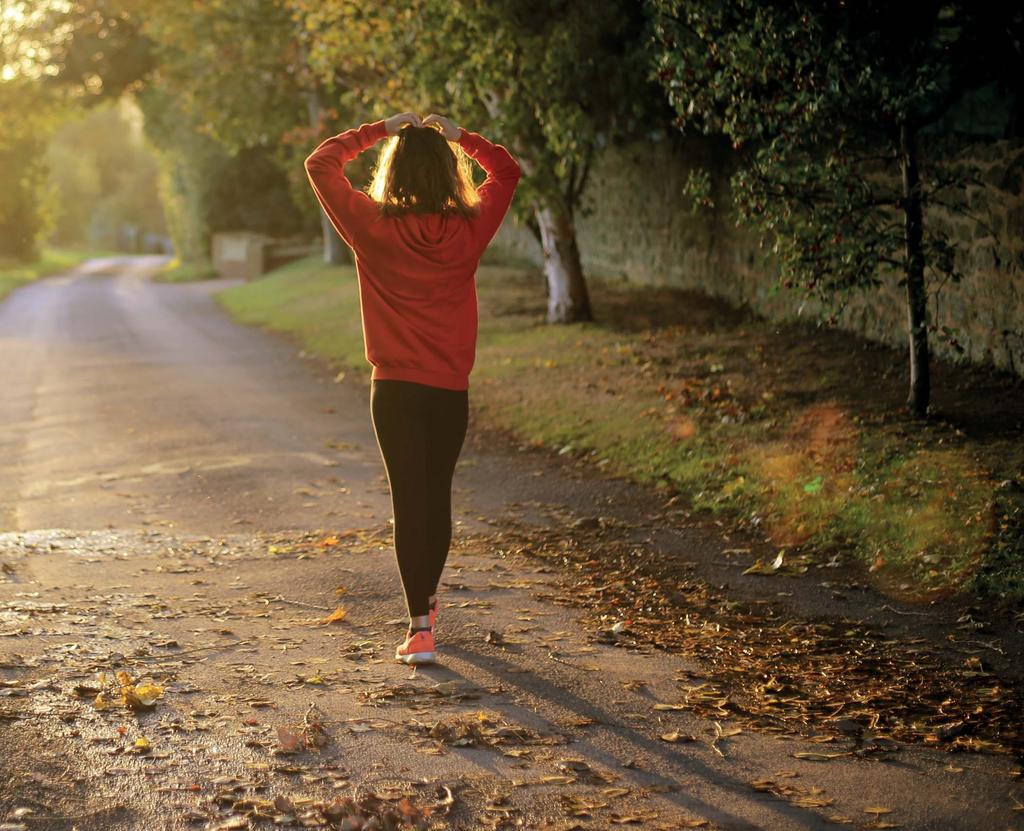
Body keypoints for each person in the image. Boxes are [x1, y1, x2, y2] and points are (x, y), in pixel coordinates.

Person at [304, 111, 522, 665]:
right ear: (449, 173)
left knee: (409, 499)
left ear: (393, 172)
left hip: (395, 389)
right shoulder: (470, 228)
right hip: (449, 388)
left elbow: (320, 163)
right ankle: (425, 600)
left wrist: (379, 129)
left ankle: (419, 626)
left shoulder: (371, 226)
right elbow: (507, 170)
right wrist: (461, 138)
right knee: (437, 496)